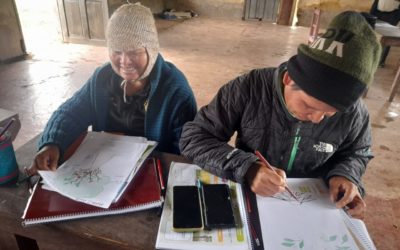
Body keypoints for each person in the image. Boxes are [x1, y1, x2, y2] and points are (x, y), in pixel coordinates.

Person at [180, 11, 381, 219]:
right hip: (253, 201)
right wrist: (247, 167)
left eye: (330, 113)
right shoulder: (249, 89)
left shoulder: (355, 112)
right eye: (308, 105)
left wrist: (347, 175)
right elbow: (194, 138)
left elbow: (358, 151)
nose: (317, 118)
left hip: (313, 209)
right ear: (288, 79)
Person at [28, 3, 197, 174]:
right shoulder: (103, 78)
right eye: (117, 51)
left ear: (151, 50)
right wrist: (52, 143)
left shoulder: (176, 92)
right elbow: (71, 112)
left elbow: (185, 153)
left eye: (134, 52)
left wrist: (131, 151)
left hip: (151, 173)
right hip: (104, 172)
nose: (125, 61)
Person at [370, 0, 400, 66]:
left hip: (393, 13)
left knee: (387, 37)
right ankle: (371, 58)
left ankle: (380, 61)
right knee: (372, 34)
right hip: (378, 10)